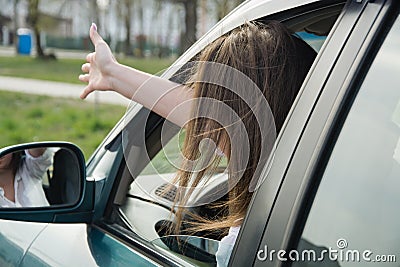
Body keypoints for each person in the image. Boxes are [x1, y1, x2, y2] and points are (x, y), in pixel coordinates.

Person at [79, 21, 316, 266]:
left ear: (245, 115)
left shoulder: (273, 214)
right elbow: (194, 110)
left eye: (220, 108)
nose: (206, 133)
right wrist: (112, 73)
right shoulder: (306, 166)